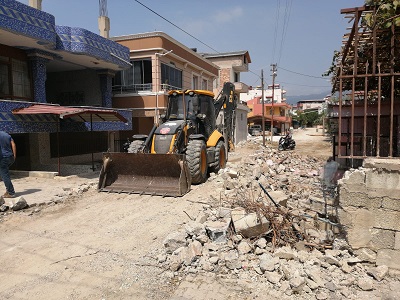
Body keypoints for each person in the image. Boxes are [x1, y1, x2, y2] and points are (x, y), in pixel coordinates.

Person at [0, 131, 16, 198]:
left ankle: (11, 192)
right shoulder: (6, 135)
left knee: (4, 176)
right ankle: (8, 191)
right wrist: (14, 155)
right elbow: (13, 144)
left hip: (3, 158)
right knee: (5, 174)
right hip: (10, 157)